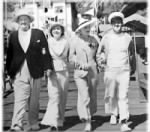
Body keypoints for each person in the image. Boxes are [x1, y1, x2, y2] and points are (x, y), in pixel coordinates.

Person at [5, 9, 53, 131]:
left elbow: (44, 51)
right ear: (18, 22)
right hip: (19, 72)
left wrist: (47, 67)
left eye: (25, 19)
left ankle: (33, 123)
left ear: (30, 21)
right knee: (20, 99)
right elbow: (10, 55)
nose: (23, 21)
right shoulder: (13, 35)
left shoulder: (38, 33)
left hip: (36, 71)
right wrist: (9, 72)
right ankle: (17, 124)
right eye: (21, 19)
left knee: (34, 100)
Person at [96, 12, 136, 132]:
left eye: (119, 22)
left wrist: (132, 69)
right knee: (111, 94)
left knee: (123, 96)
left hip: (124, 70)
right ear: (111, 24)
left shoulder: (128, 38)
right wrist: (101, 62)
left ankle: (124, 121)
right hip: (110, 70)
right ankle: (114, 113)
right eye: (115, 22)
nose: (117, 24)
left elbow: (132, 55)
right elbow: (99, 53)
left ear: (122, 23)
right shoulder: (106, 37)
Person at [69, 19, 99, 131]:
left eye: (88, 27)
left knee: (92, 96)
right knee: (84, 97)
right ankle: (87, 121)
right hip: (80, 73)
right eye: (85, 27)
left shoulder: (95, 39)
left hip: (93, 71)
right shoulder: (74, 41)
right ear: (80, 30)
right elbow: (71, 57)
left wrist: (101, 59)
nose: (87, 29)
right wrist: (80, 64)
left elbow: (99, 52)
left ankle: (88, 114)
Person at [41, 22, 70, 131]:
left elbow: (71, 54)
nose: (56, 31)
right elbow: (44, 56)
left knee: (62, 96)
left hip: (64, 70)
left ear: (62, 31)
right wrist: (45, 68)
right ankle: (53, 122)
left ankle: (60, 119)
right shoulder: (48, 42)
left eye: (58, 29)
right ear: (51, 32)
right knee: (54, 97)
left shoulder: (67, 42)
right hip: (52, 71)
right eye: (54, 29)